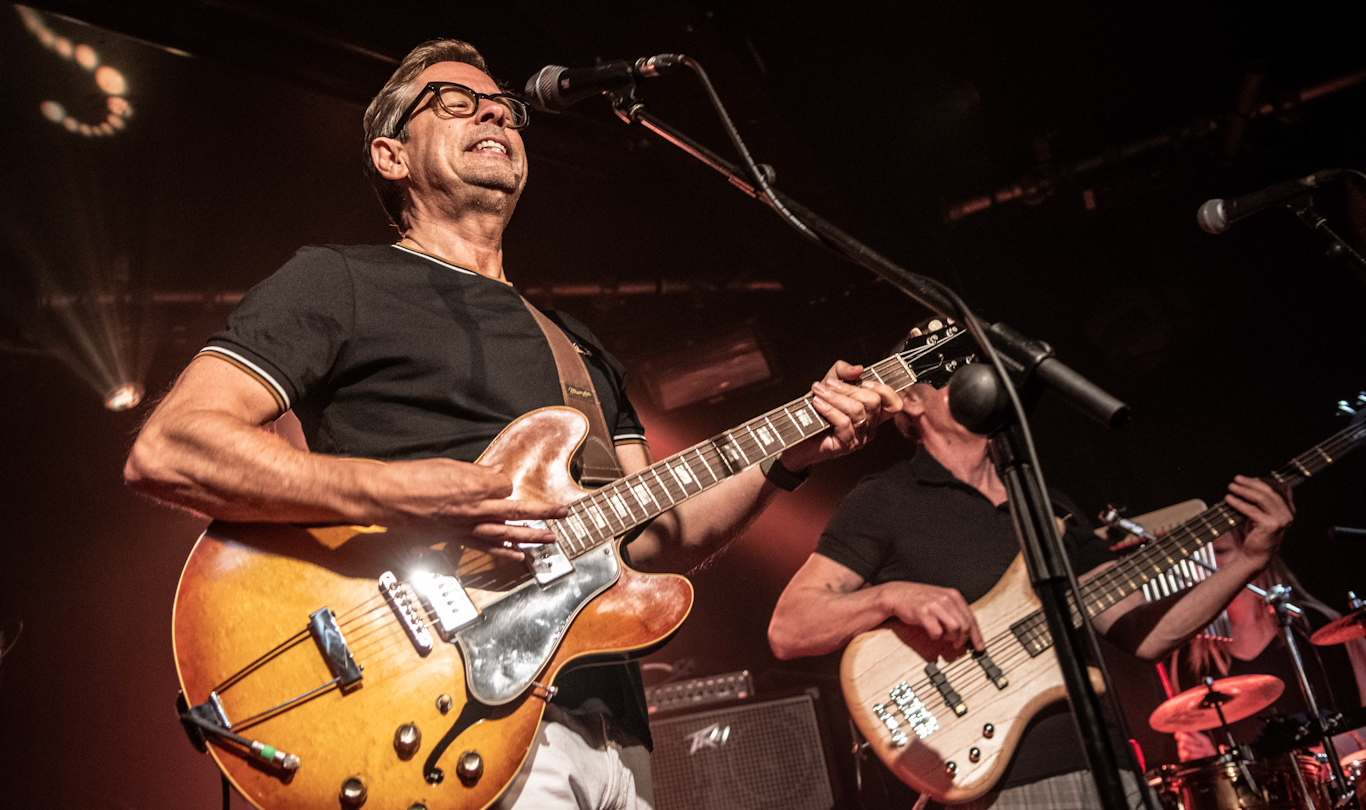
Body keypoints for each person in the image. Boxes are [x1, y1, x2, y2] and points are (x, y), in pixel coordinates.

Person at [122, 39, 902, 810]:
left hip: (611, 735)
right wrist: (410, 493)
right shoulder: (339, 281)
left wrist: (786, 457)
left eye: (503, 107)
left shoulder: (577, 345)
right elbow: (173, 447)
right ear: (391, 157)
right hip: (434, 707)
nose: (495, 111)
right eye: (457, 101)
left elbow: (654, 534)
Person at [767, 367, 1294, 809]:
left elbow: (1144, 636)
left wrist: (1247, 560)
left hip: (1112, 769)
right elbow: (790, 629)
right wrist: (890, 596)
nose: (982, 382)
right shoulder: (885, 499)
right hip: (1000, 782)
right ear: (912, 401)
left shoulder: (1053, 508)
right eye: (956, 379)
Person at [1166, 549, 1366, 761]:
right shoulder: (1189, 661)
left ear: (1256, 548)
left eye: (1220, 551)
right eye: (1199, 555)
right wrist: (1208, 759)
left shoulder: (1316, 624)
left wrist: (1329, 756)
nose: (1206, 563)